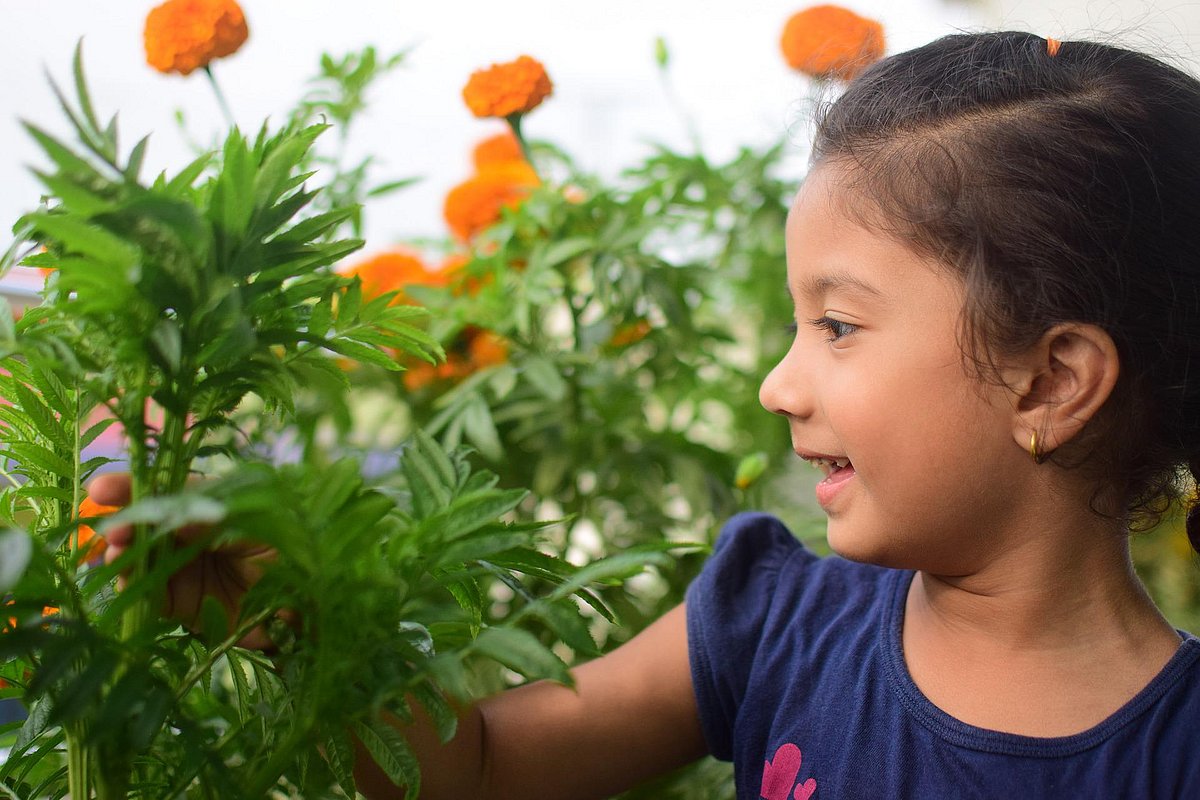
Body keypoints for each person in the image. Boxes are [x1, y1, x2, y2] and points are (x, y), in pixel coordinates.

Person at [91, 30, 1200, 798]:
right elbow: (482, 769)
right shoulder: (779, 619)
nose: (779, 382)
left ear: (1050, 382)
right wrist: (293, 610)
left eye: (840, 326)